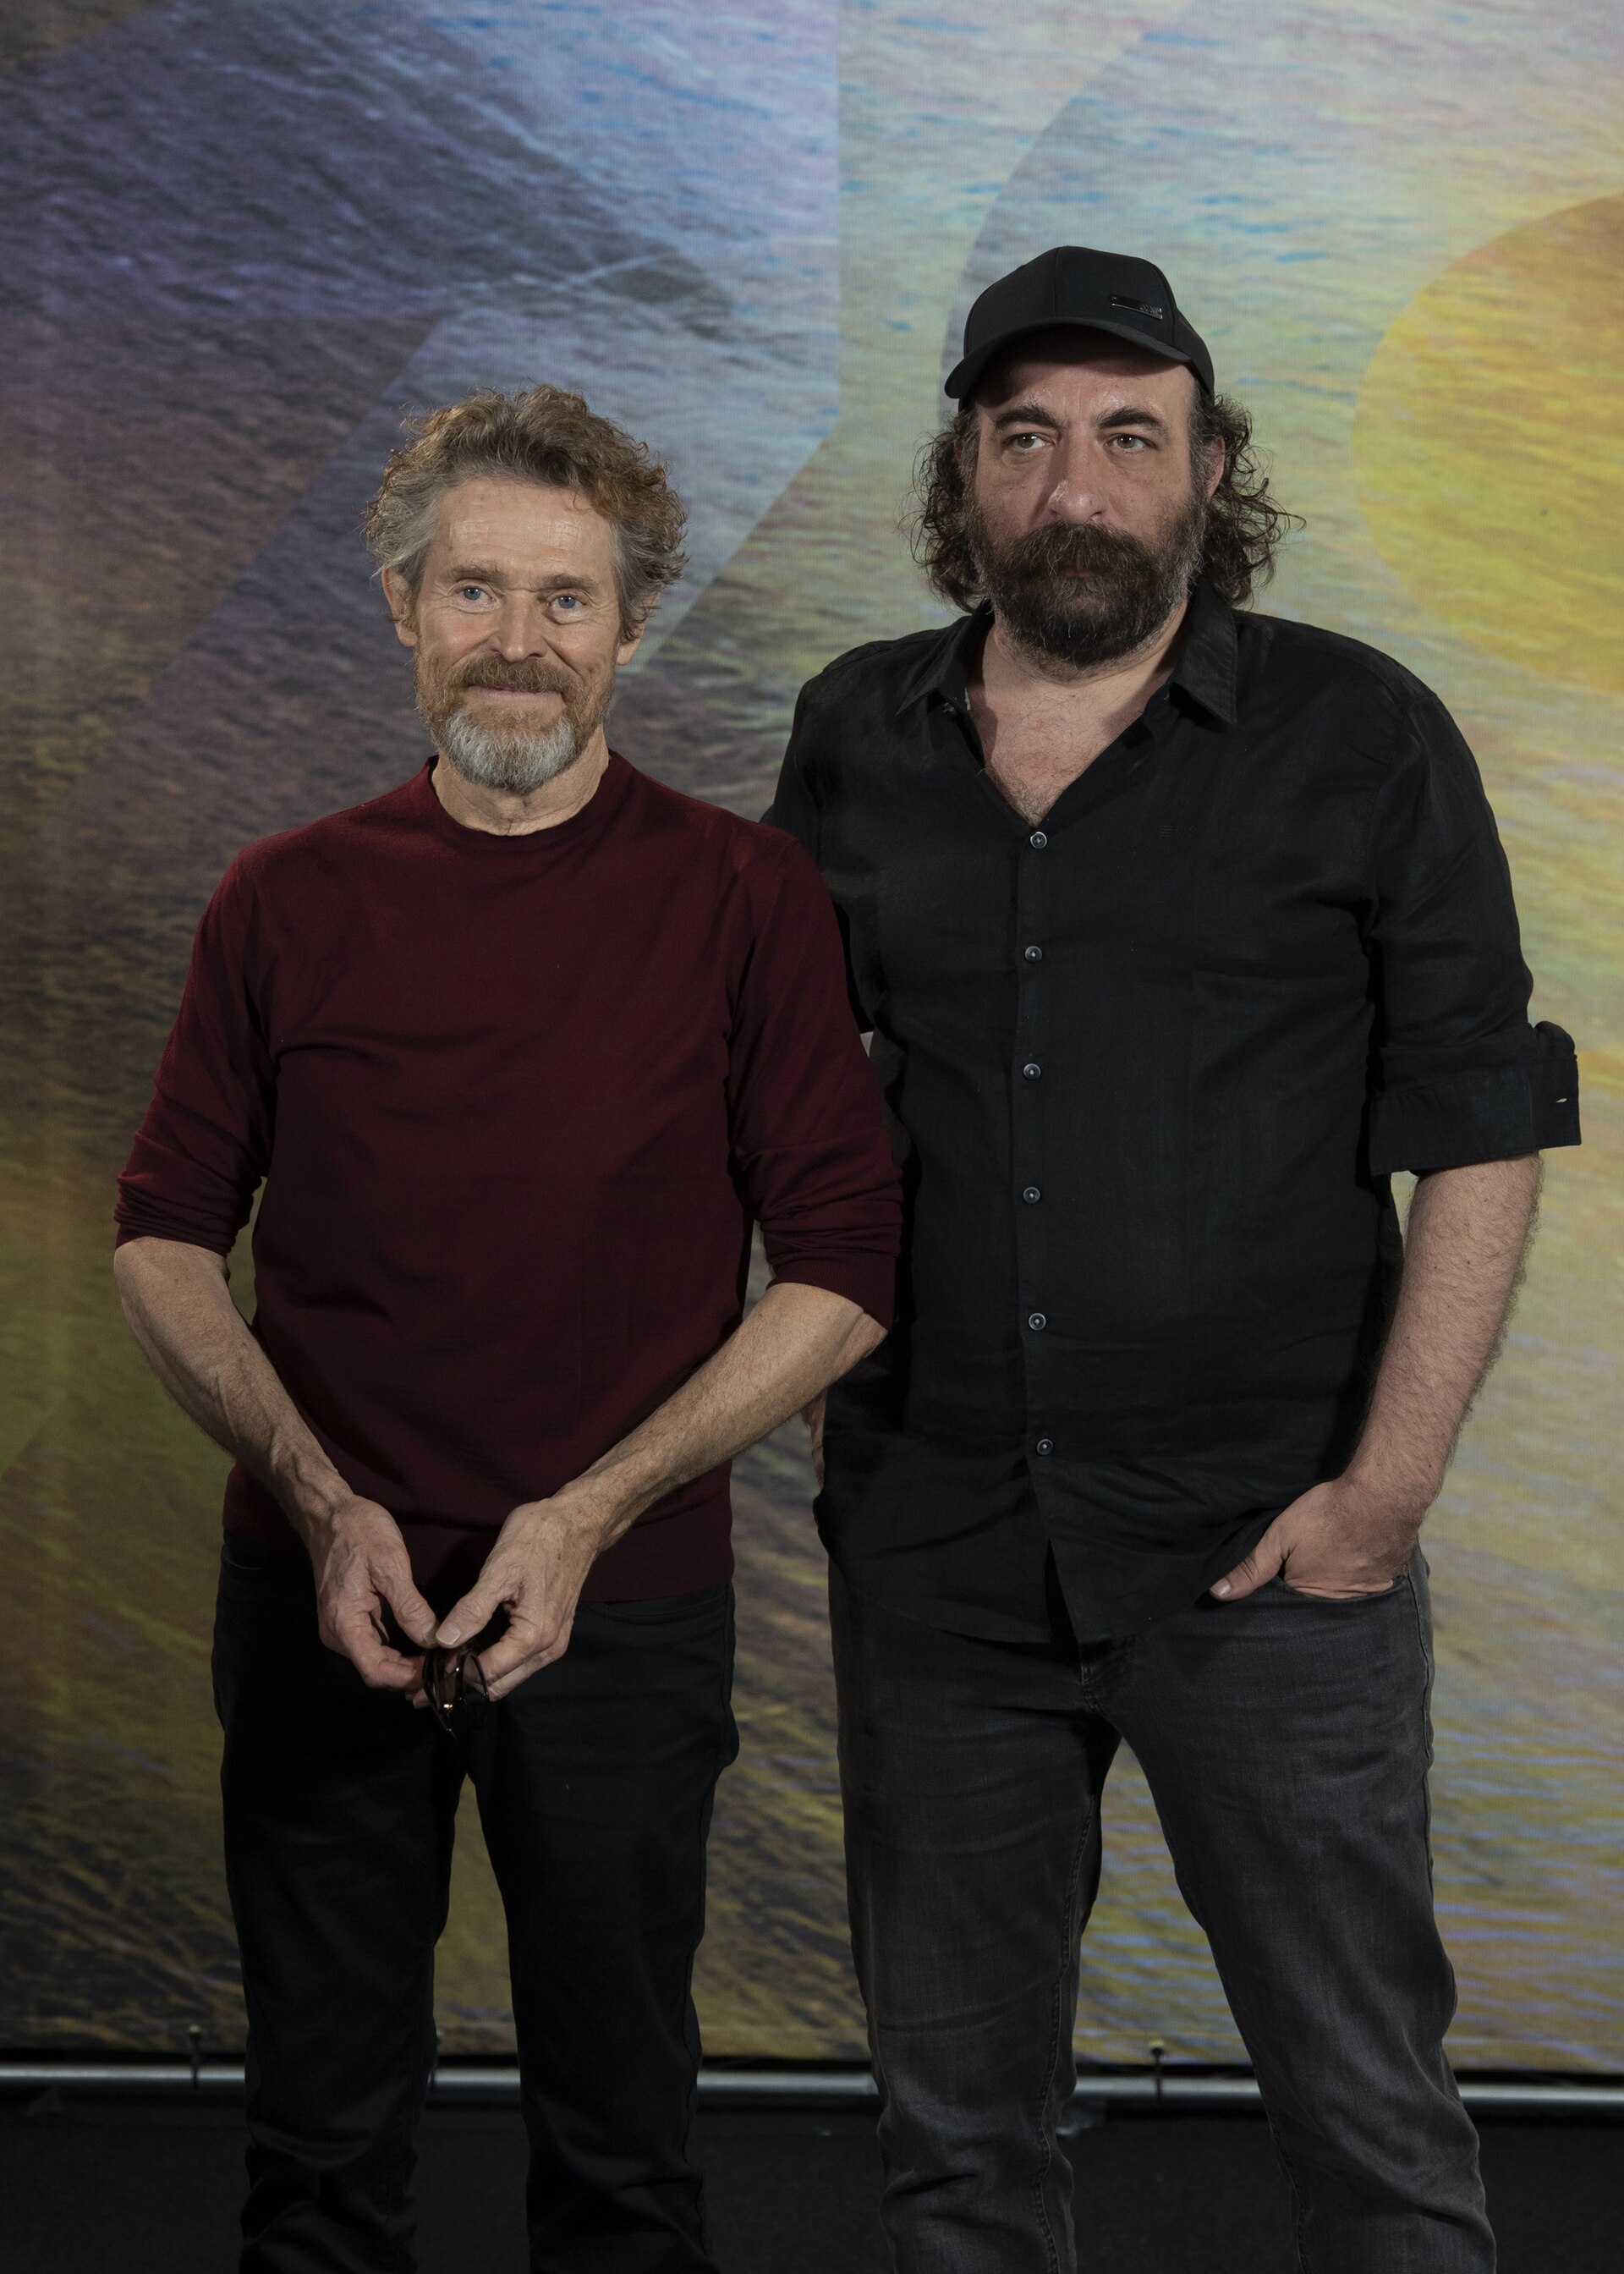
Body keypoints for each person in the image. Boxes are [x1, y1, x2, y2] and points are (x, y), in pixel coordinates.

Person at [765, 245, 1580, 2272]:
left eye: (1131, 437)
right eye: (1026, 437)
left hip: (1268, 1553)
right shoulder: (850, 736)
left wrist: (1383, 1498)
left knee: (1374, 2134)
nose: (1078, 485)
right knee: (957, 2157)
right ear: (966, 473)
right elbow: (762, 1113)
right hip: (941, 1548)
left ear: (1212, 468)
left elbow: (1478, 1127)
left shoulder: (1363, 737)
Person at [114, 383, 900, 2274]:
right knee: (314, 2157)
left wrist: (586, 1514)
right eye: (475, 590)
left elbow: (846, 1265)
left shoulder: (743, 897)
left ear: (631, 627)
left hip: (619, 1620)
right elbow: (158, 1236)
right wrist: (317, 1503)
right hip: (326, 1606)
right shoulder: (284, 899)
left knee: (626, 2158)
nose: (520, 643)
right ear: (399, 606)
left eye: (567, 599)